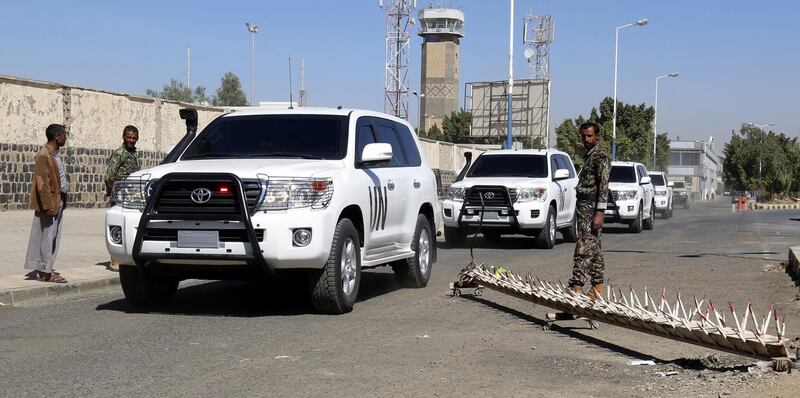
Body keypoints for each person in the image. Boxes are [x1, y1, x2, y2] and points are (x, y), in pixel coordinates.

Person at [547, 122, 610, 322]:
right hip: (585, 208)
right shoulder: (589, 156)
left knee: (583, 249)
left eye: (590, 136)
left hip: (591, 209)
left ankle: (575, 292)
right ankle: (597, 289)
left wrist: (599, 212)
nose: (586, 139)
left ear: (597, 137)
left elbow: (604, 187)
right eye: (583, 136)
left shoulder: (600, 158)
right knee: (595, 250)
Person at [24, 124, 69, 283]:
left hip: (58, 201)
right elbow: (42, 184)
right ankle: (44, 272)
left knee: (52, 237)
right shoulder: (44, 155)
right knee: (46, 237)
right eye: (64, 135)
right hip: (50, 204)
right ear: (57, 136)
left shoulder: (54, 154)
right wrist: (49, 205)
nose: (65, 138)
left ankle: (46, 268)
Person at [104, 125, 141, 271]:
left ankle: (125, 257)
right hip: (120, 197)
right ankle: (115, 260)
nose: (131, 140)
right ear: (123, 137)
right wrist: (115, 190)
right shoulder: (120, 153)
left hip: (131, 197)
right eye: (128, 137)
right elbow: (109, 176)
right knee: (118, 227)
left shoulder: (133, 153)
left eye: (134, 138)